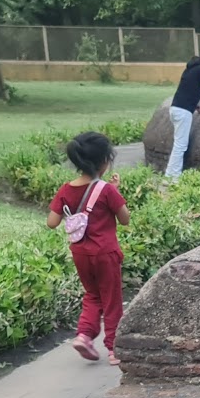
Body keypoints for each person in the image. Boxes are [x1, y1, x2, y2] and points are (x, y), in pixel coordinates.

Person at [47, 131, 131, 365]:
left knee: (92, 295)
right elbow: (125, 219)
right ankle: (114, 348)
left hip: (80, 254)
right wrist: (115, 191)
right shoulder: (106, 190)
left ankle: (84, 335)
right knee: (112, 299)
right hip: (105, 253)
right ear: (104, 162)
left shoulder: (65, 190)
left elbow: (52, 222)